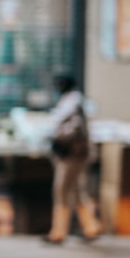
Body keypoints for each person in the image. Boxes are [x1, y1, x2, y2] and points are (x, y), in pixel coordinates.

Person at [43, 74, 101, 244]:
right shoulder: (71, 102)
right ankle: (91, 227)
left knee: (61, 191)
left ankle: (58, 232)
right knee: (77, 191)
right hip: (73, 155)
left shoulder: (73, 104)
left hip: (72, 156)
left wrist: (56, 136)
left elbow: (72, 130)